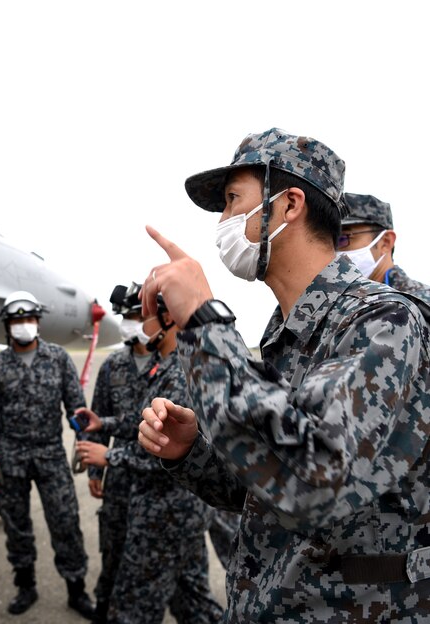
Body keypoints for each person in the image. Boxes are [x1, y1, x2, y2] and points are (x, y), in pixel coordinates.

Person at [138, 128, 430, 621]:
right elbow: (267, 488)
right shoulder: (286, 330)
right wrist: (193, 454)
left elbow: (313, 482)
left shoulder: (383, 321)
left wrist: (205, 321)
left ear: (290, 204)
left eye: (234, 201)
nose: (224, 221)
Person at [77, 294, 222, 624]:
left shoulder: (182, 372)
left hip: (166, 511)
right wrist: (106, 424)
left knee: (133, 607)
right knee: (192, 597)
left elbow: (165, 446)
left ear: (168, 319)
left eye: (143, 316)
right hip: (171, 509)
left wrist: (109, 455)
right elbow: (144, 420)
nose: (135, 325)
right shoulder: (163, 365)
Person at [0, 290, 96, 619]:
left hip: (51, 457)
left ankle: (76, 590)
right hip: (10, 459)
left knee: (66, 522)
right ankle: (25, 586)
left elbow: (76, 406)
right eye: (17, 321)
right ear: (8, 326)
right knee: (16, 527)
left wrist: (84, 442)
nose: (24, 325)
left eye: (29, 319)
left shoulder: (57, 358)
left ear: (38, 322)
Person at [83, 282, 155, 622]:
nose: (130, 322)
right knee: (111, 550)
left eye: (136, 315)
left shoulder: (173, 363)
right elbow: (98, 418)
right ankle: (104, 608)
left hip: (159, 480)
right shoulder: (113, 365)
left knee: (150, 559)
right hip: (119, 477)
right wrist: (97, 471)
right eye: (125, 316)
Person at [337, 192, 430, 305]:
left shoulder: (421, 305)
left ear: (386, 242)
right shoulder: (330, 303)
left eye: (341, 238)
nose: (333, 250)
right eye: (327, 240)